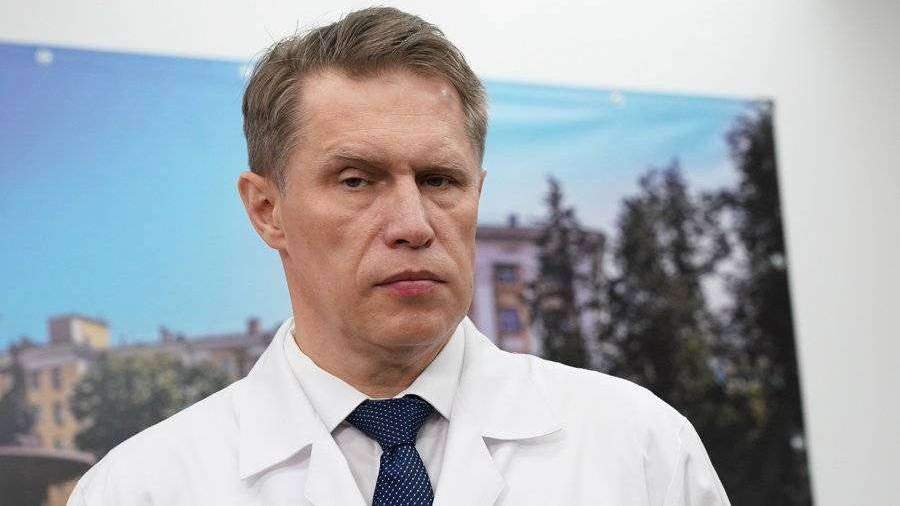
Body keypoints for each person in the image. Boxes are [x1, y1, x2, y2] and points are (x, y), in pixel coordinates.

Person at [68, 7, 730, 506]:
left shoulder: (640, 451)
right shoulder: (142, 489)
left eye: (440, 180)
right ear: (268, 210)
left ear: (477, 194)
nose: (414, 225)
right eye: (357, 180)